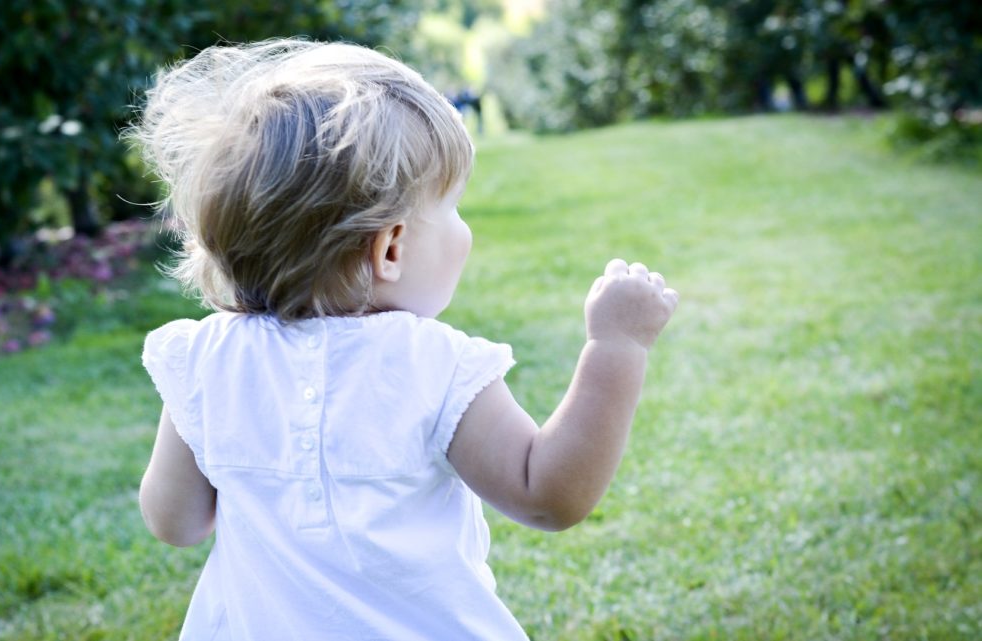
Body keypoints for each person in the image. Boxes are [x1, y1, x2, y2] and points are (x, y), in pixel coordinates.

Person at [130, 39, 678, 640]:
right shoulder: (432, 366)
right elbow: (547, 494)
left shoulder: (205, 361)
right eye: (453, 209)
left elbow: (175, 521)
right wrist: (616, 348)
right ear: (390, 248)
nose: (463, 229)